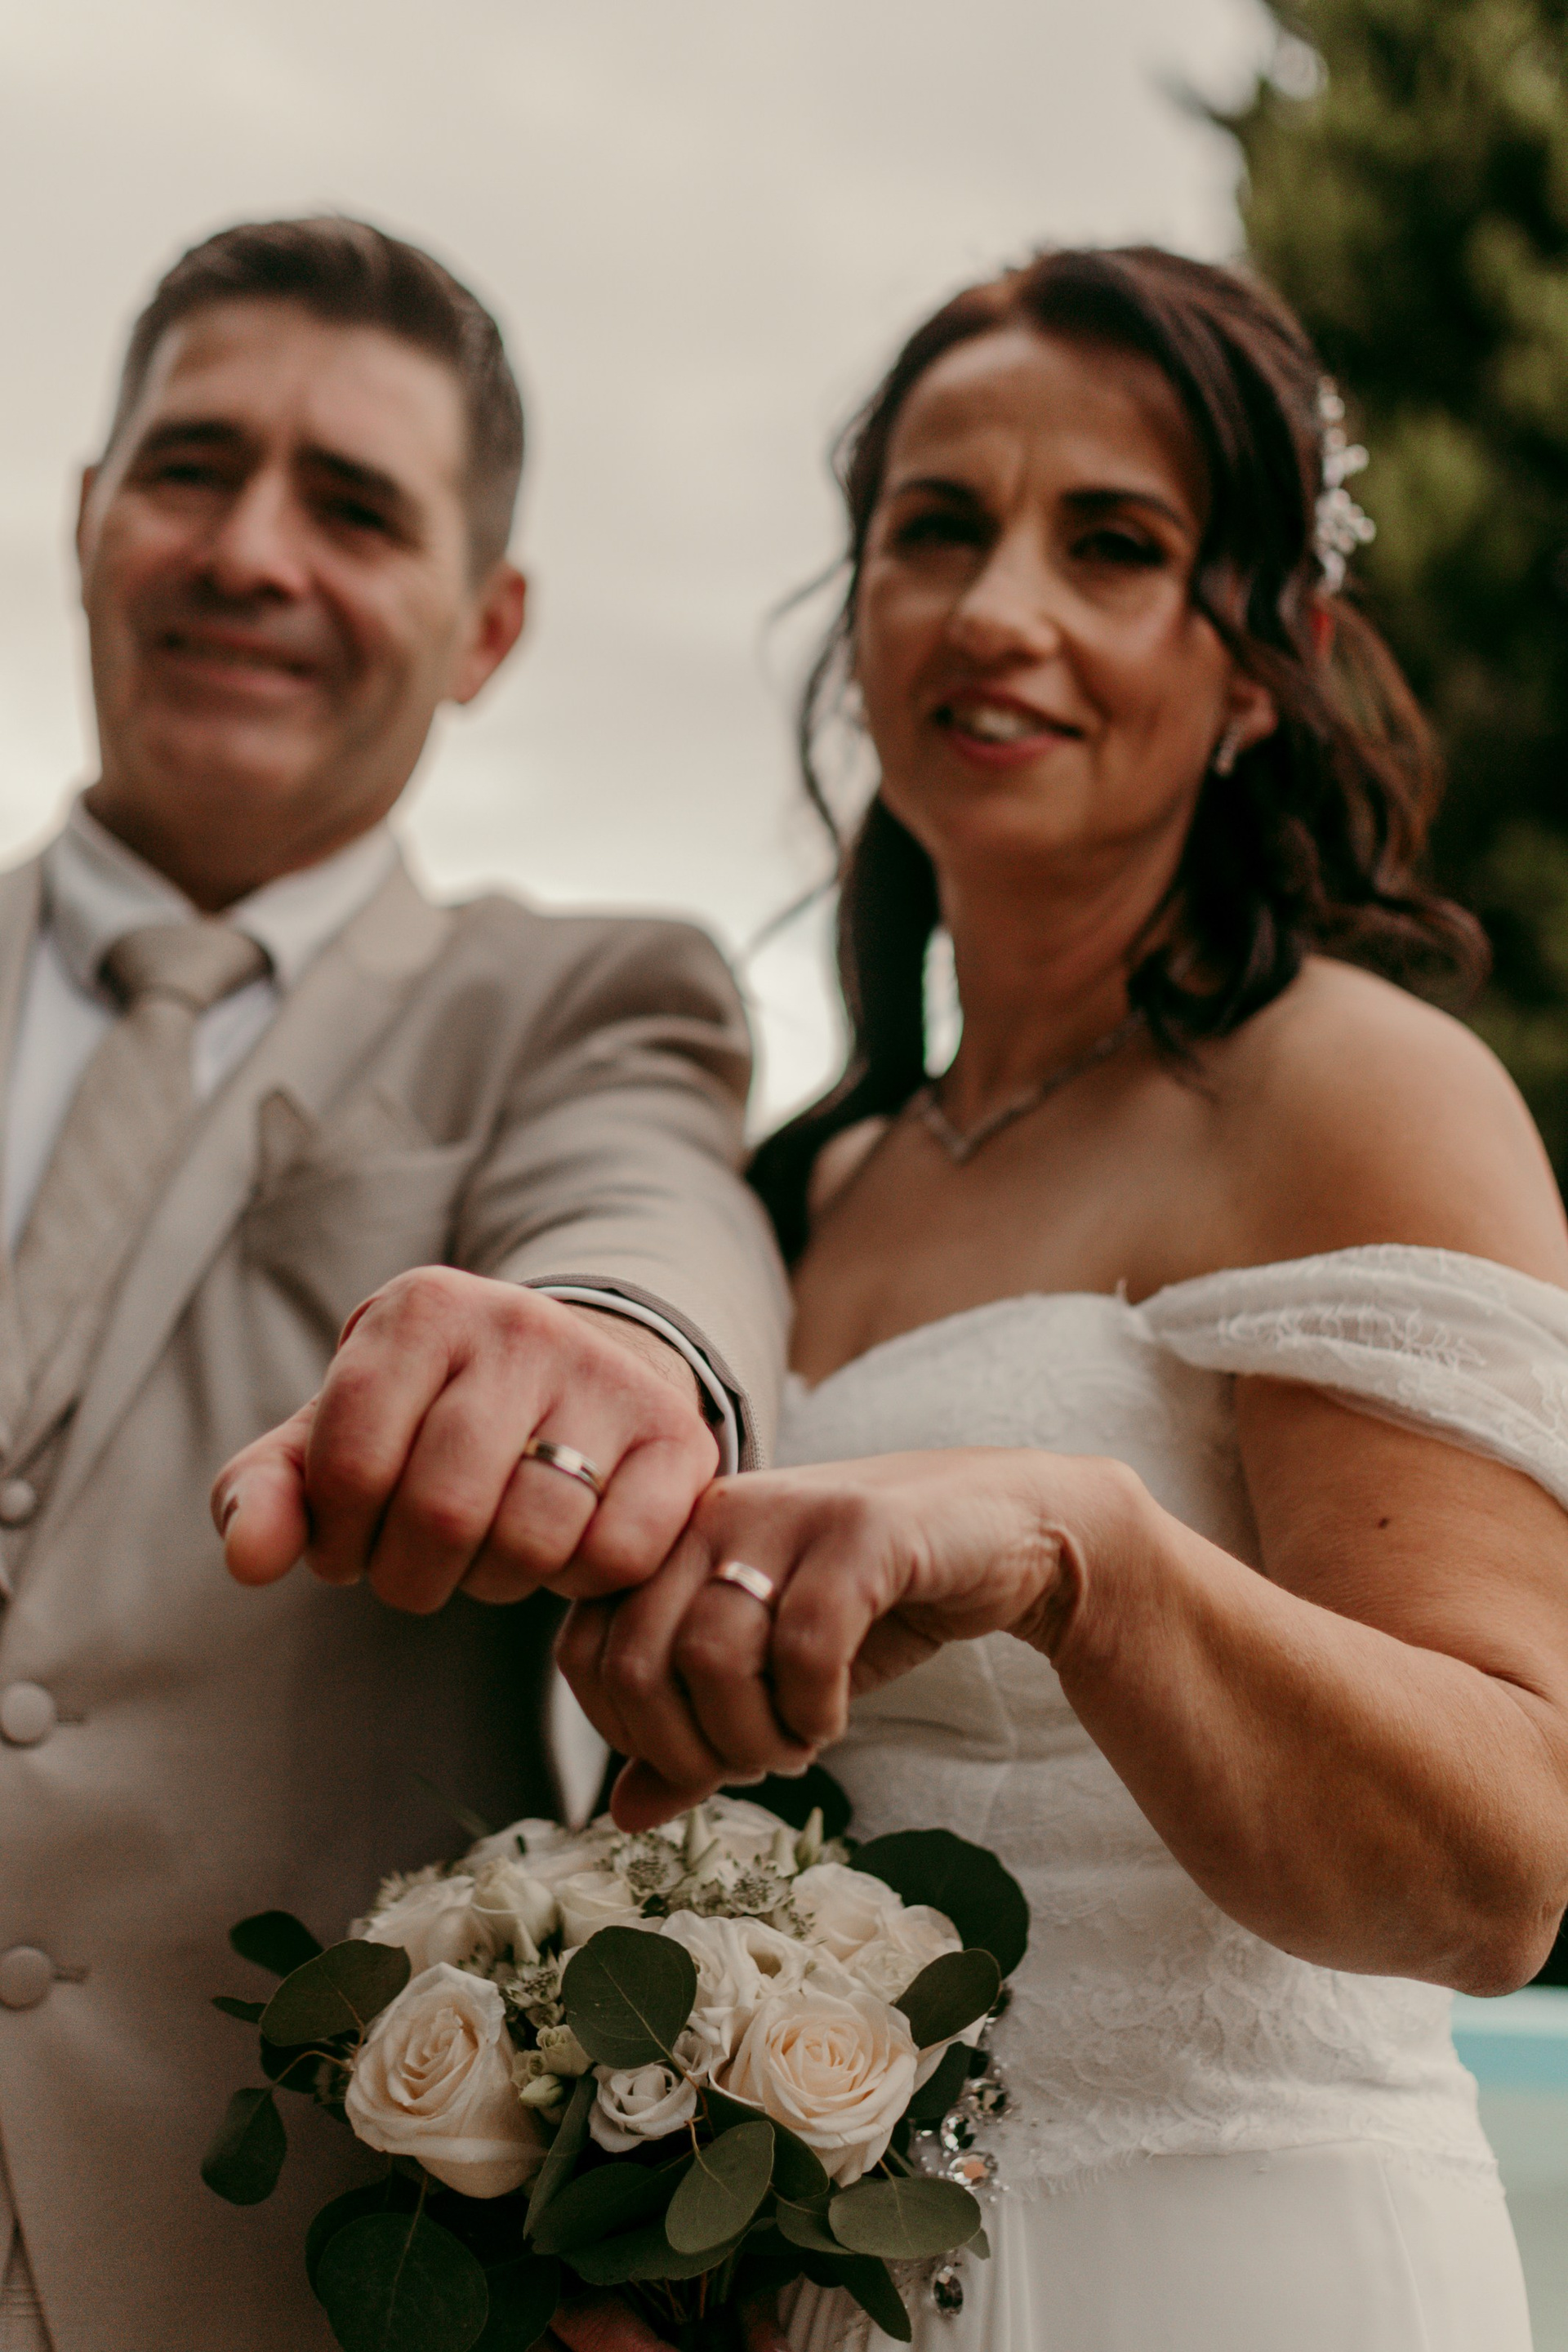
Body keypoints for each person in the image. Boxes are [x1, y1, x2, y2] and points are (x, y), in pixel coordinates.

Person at [555, 247, 1568, 2350]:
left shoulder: (1350, 1090)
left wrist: (1082, 1552)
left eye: (1111, 545)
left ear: (1269, 663)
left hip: (1228, 2262)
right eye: (938, 528)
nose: (996, 609)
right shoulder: (810, 1187)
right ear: (862, 616)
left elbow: (1495, 1873)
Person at [0, 215, 786, 2352]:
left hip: (246, 2278)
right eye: (192, 471)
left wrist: (620, 1354)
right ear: (88, 517)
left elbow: (646, 1219)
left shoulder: (576, 1001)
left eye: (353, 507)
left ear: (487, 624)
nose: (251, 552)